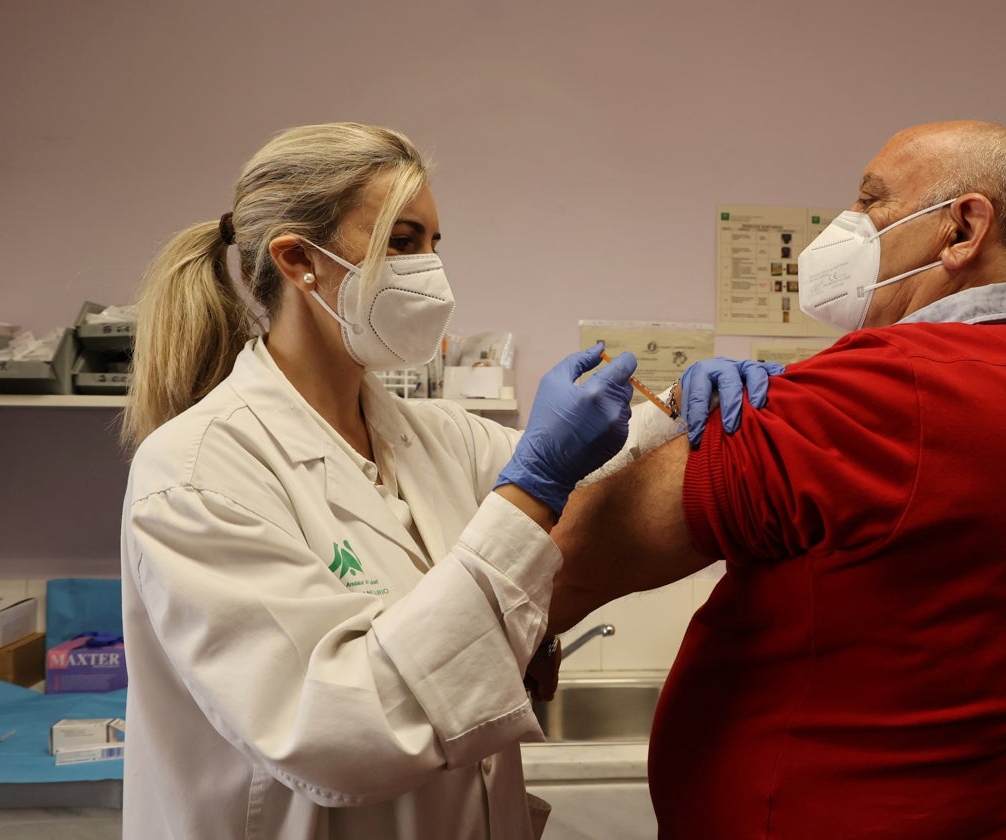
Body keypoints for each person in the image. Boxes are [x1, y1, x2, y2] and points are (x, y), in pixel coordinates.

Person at [117, 122, 772, 839]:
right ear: (300, 261)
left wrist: (679, 410)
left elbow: (597, 483)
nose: (429, 271)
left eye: (433, 243)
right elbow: (342, 730)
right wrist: (534, 483)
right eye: (399, 242)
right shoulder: (195, 472)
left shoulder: (433, 434)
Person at [547, 120, 1006, 839]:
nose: (845, 226)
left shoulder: (887, 391)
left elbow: (561, 572)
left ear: (963, 229)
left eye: (870, 202)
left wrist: (640, 430)